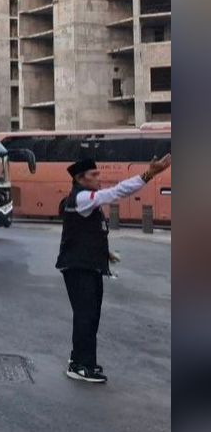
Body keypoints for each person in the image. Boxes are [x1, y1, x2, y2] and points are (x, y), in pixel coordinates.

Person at [57, 154, 171, 383]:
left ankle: (82, 360)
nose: (99, 177)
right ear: (81, 179)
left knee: (91, 315)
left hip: (88, 265)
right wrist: (149, 174)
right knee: (85, 315)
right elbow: (117, 192)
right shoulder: (82, 198)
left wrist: (105, 253)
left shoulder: (85, 200)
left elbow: (84, 232)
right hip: (79, 267)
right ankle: (80, 365)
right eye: (94, 174)